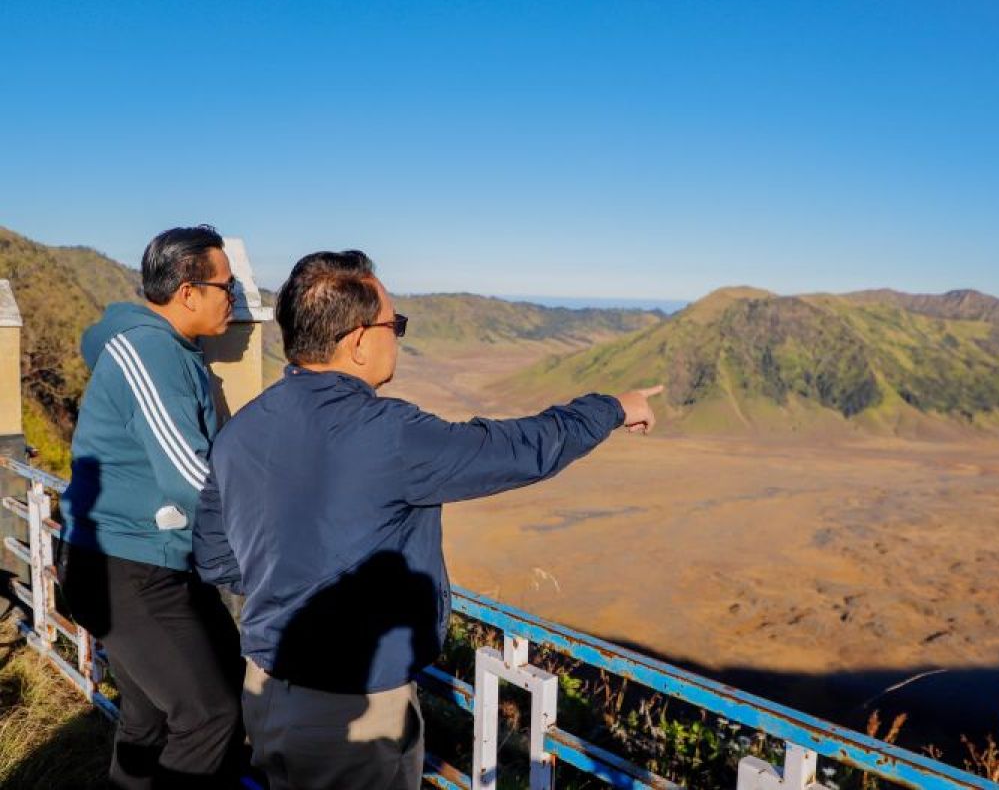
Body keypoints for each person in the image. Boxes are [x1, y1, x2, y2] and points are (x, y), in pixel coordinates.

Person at [193, 250, 662, 790]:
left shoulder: (240, 431)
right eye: (397, 325)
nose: (398, 338)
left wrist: (287, 585)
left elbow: (215, 557)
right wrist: (611, 408)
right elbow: (516, 450)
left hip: (266, 689)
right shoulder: (387, 433)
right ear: (360, 340)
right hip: (355, 708)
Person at [57, 225, 246, 789]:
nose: (233, 299)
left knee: (148, 719)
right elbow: (187, 471)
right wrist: (265, 529)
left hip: (143, 558)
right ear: (189, 291)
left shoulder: (176, 350)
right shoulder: (149, 348)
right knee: (209, 715)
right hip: (126, 565)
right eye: (226, 287)